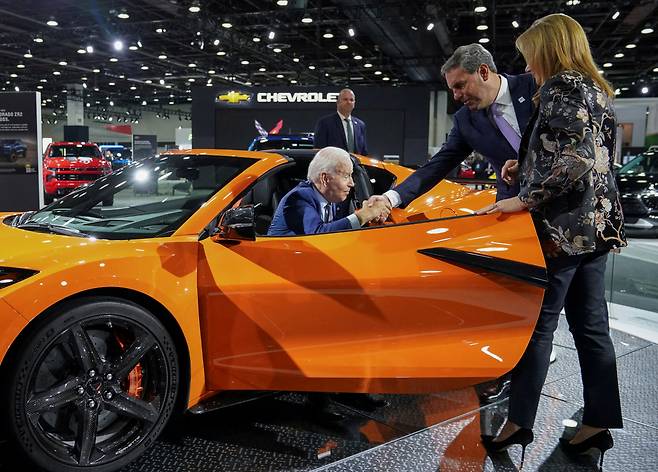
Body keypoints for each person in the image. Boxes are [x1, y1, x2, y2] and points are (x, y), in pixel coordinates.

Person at [476, 14, 627, 468]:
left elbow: (576, 158)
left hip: (563, 231)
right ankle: (598, 422)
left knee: (540, 327)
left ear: (548, 50)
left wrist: (525, 197)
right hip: (596, 228)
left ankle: (519, 421)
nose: (527, 66)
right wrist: (527, 167)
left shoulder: (561, 87)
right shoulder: (595, 89)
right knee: (591, 328)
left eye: (529, 56)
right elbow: (594, 157)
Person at [370, 43, 535, 212]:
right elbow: (436, 166)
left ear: (483, 72)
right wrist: (390, 198)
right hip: (512, 213)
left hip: (558, 205)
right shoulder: (465, 120)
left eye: (460, 86)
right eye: (452, 89)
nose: (456, 96)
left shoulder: (535, 86)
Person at [267, 147, 387, 236]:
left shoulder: (331, 198)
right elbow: (317, 234)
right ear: (325, 179)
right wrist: (364, 215)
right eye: (346, 176)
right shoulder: (298, 198)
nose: (352, 183)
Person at [314, 89, 368, 155]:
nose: (349, 102)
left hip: (355, 165)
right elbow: (319, 150)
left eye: (351, 100)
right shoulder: (325, 123)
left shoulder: (360, 125)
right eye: (345, 99)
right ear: (338, 102)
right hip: (333, 164)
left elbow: (363, 152)